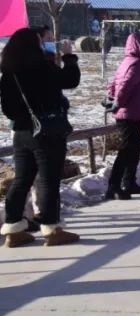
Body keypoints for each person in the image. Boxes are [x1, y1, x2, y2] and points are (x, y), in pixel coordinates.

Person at [1, 28, 81, 247]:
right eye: (39, 42)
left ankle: (13, 228)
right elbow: (70, 80)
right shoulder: (42, 68)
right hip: (47, 133)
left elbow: (7, 108)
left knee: (22, 180)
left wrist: (24, 119)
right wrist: (69, 57)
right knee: (48, 180)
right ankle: (51, 229)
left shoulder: (8, 73)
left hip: (21, 133)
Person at [105, 33, 140, 200]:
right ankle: (114, 186)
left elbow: (114, 83)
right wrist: (117, 101)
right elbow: (125, 85)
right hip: (130, 113)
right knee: (127, 150)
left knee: (133, 149)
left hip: (132, 112)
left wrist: (112, 97)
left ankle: (129, 181)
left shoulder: (128, 62)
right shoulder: (137, 64)